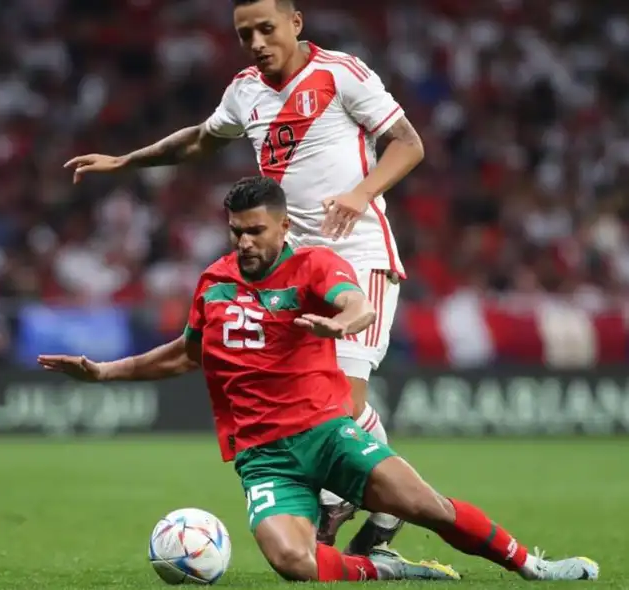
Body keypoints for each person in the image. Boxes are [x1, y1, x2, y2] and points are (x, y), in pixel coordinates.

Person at [38, 176, 598, 583]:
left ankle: (533, 565)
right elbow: (188, 354)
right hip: (264, 457)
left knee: (428, 508)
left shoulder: (315, 266)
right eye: (236, 232)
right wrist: (103, 372)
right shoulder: (213, 282)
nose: (245, 243)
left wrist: (340, 322)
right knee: (293, 563)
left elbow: (358, 306)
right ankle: (383, 570)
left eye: (256, 231)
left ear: (284, 226)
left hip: (328, 435)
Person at [64, 0, 421, 553]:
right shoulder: (245, 90)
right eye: (244, 33)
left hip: (359, 256)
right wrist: (125, 162)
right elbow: (199, 141)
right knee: (312, 402)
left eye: (266, 28)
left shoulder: (340, 72)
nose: (256, 41)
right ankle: (376, 502)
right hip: (293, 270)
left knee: (339, 407)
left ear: (295, 24)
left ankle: (349, 502)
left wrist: (359, 194)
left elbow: (408, 142)